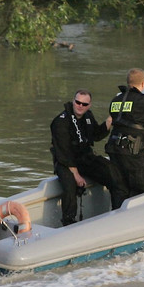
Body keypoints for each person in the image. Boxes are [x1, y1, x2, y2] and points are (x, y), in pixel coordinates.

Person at [50, 89, 129, 226]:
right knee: (70, 187)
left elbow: (96, 135)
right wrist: (76, 174)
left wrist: (109, 121)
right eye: (78, 102)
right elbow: (63, 152)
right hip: (65, 162)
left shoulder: (88, 116)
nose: (80, 106)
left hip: (85, 158)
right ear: (73, 101)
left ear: (89, 106)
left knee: (113, 172)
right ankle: (68, 222)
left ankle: (119, 213)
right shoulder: (60, 122)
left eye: (84, 104)